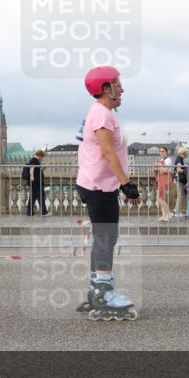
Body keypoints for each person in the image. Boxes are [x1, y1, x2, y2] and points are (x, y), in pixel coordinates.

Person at [74, 66, 140, 321]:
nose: (122, 88)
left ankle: (97, 289)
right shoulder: (101, 115)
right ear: (105, 88)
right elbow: (108, 153)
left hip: (98, 184)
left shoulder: (101, 113)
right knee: (105, 238)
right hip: (100, 186)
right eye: (117, 83)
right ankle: (104, 294)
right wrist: (127, 185)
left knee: (103, 238)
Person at [25, 149, 50, 216]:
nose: (42, 158)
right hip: (36, 182)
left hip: (35, 182)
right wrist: (32, 176)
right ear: (39, 155)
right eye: (42, 156)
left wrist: (44, 167)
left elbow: (37, 170)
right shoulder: (34, 160)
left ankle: (29, 213)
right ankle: (44, 212)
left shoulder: (35, 160)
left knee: (33, 198)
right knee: (41, 196)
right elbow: (32, 168)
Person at [154, 146, 172, 221]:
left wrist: (158, 167)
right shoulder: (161, 160)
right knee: (162, 198)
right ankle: (164, 216)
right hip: (161, 179)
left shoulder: (168, 160)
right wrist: (156, 168)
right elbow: (159, 169)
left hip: (165, 179)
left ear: (166, 152)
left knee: (159, 198)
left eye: (163, 151)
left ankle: (169, 213)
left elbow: (166, 170)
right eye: (160, 151)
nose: (161, 153)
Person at [172, 147, 189, 218]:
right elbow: (178, 169)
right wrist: (186, 169)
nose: (187, 154)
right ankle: (177, 211)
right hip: (180, 180)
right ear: (183, 153)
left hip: (179, 180)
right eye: (186, 153)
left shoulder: (179, 159)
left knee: (181, 195)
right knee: (180, 195)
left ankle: (179, 210)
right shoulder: (179, 159)